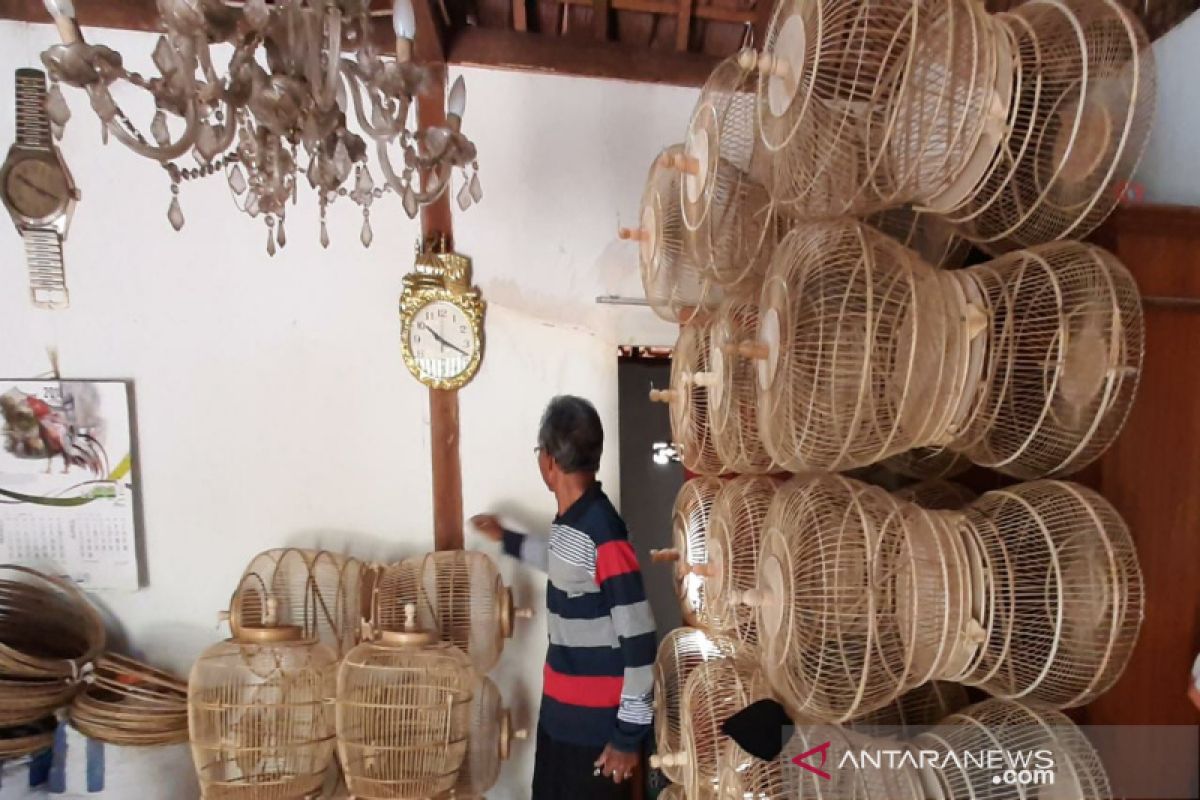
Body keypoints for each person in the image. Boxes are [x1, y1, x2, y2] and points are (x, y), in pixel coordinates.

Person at [472, 395, 656, 799]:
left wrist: (628, 739)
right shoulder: (575, 524)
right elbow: (564, 565)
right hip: (560, 722)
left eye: (540, 451)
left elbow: (640, 641)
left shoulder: (603, 532)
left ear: (550, 461)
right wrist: (508, 539)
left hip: (596, 736)